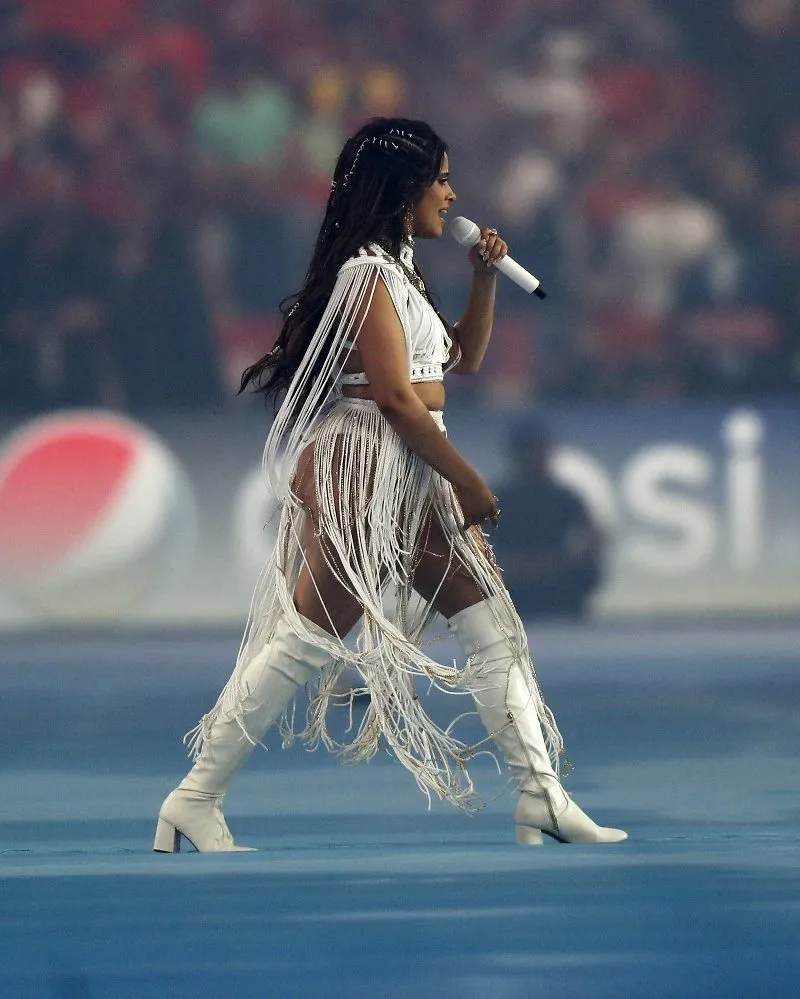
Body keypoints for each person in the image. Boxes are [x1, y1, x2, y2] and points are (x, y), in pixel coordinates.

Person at [154, 118, 627, 852]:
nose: (452, 191)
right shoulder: (366, 274)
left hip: (408, 462)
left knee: (490, 625)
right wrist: (468, 479)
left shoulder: (400, 271)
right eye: (440, 178)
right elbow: (398, 398)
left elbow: (460, 360)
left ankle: (541, 796)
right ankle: (194, 796)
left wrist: (480, 278)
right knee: (310, 637)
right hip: (371, 462)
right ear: (404, 190)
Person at [493, 421, 603, 619]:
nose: (536, 458)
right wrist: (514, 566)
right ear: (517, 456)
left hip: (559, 577)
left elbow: (593, 535)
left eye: (540, 451)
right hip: (514, 580)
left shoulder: (565, 497)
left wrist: (562, 563)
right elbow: (476, 541)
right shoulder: (499, 498)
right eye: (530, 452)